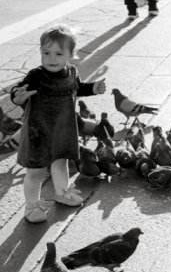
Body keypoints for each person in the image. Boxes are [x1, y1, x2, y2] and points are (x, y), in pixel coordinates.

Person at [10, 24, 106, 223]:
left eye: (58, 54)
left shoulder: (71, 72)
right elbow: (20, 89)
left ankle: (62, 193)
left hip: (63, 130)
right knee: (35, 171)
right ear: (40, 52)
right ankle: (31, 206)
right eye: (46, 53)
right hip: (38, 132)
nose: (51, 58)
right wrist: (17, 96)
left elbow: (77, 88)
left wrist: (93, 88)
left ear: (71, 55)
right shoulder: (36, 76)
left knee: (61, 162)